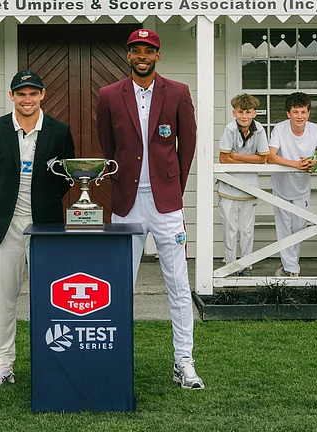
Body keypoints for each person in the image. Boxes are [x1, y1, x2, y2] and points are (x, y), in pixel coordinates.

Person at [96, 29, 202, 390]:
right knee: (120, 283)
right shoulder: (108, 95)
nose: (142, 55)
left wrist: (172, 185)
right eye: (136, 50)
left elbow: (187, 144)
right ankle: (113, 359)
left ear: (158, 55)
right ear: (128, 55)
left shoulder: (178, 92)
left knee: (178, 283)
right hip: (126, 204)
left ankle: (183, 362)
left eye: (149, 50)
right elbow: (107, 145)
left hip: (166, 203)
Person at [0, 70, 75, 389]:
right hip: (6, 229)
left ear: (43, 95)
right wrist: (4, 202)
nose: (27, 99)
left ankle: (53, 362)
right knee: (5, 299)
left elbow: (67, 176)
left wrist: (43, 203)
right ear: (12, 96)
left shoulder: (59, 131)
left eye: (33, 93)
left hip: (45, 227)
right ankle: (2, 365)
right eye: (21, 93)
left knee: (51, 300)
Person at [267, 92, 317, 277]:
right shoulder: (279, 129)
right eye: (295, 112)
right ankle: (291, 269)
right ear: (288, 113)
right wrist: (296, 165)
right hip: (282, 186)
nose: (299, 116)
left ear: (308, 113)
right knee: (284, 227)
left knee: (299, 227)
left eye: (303, 112)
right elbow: (270, 156)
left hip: (302, 187)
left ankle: (288, 264)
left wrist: (312, 162)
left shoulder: (315, 130)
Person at [217, 94, 269, 277]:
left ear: (254, 113)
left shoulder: (260, 129)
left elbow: (263, 158)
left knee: (246, 229)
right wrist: (249, 160)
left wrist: (237, 156)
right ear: (234, 113)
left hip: (249, 186)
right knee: (229, 229)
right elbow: (223, 158)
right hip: (228, 187)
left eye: (248, 112)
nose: (244, 116)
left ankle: (246, 265)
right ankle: (230, 266)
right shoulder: (230, 129)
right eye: (240, 112)